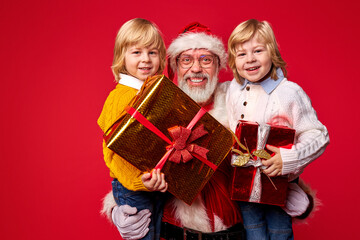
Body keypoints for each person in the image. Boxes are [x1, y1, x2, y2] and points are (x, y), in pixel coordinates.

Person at [101, 22, 246, 240]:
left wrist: (297, 196)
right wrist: (118, 209)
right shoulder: (158, 103)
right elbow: (128, 157)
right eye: (186, 60)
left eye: (206, 59)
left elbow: (266, 157)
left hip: (235, 234)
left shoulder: (240, 103)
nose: (196, 69)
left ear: (218, 64)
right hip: (174, 233)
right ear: (175, 65)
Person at [226, 19, 330, 239]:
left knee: (279, 233)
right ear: (233, 60)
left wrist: (289, 158)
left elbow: (318, 135)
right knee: (252, 235)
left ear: (271, 53)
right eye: (241, 54)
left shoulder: (289, 93)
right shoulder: (233, 91)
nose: (250, 59)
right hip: (244, 190)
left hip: (278, 187)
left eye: (257, 50)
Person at [97, 18, 169, 240]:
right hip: (133, 188)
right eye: (136, 52)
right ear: (122, 57)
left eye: (153, 52)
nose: (146, 59)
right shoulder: (120, 98)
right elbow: (114, 152)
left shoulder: (156, 92)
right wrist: (139, 181)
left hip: (155, 183)